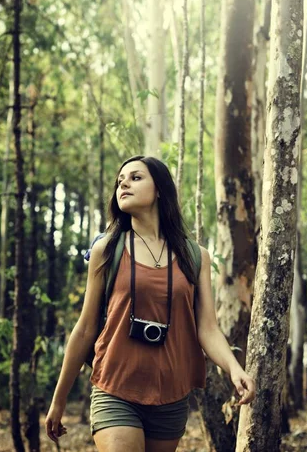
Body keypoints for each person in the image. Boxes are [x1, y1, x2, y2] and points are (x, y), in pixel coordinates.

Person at [45, 155, 256, 451]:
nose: (124, 184)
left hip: (170, 396)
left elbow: (207, 329)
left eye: (135, 178)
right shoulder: (106, 249)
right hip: (114, 388)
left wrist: (235, 369)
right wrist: (59, 400)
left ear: (159, 190)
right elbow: (85, 328)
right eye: (120, 181)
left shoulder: (196, 256)